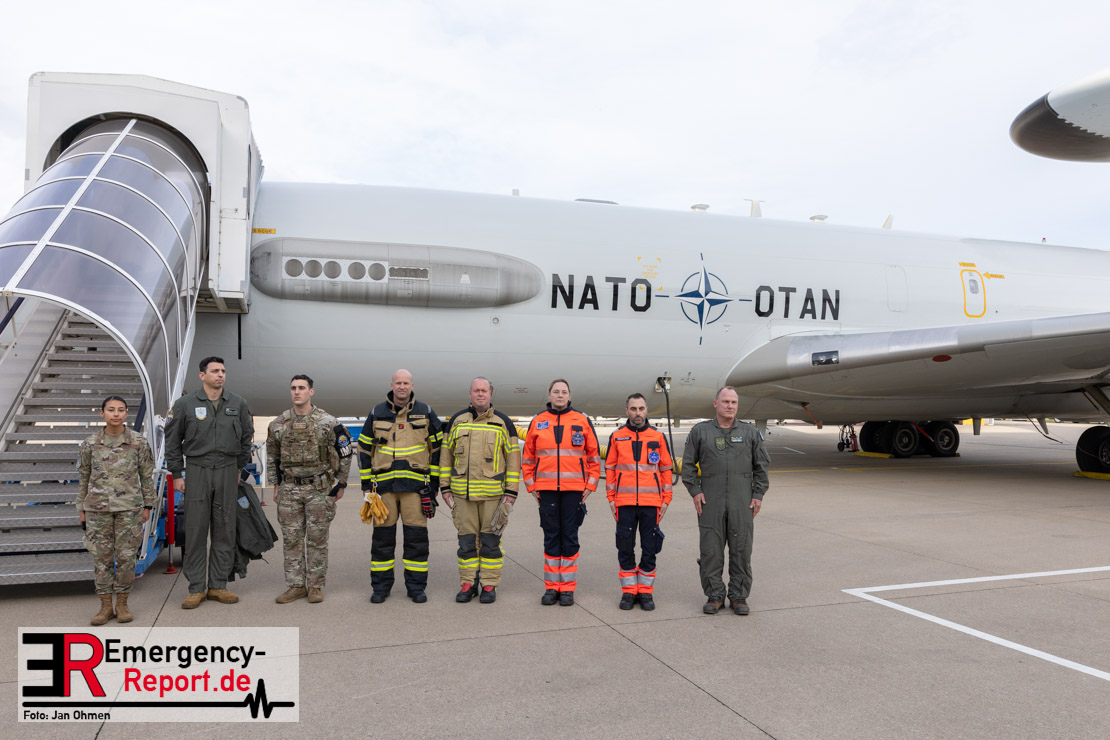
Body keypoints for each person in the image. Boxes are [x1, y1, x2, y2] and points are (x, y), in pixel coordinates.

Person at [165, 356, 254, 609]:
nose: (220, 374)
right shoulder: (185, 404)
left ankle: (218, 585)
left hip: (227, 469)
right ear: (202, 375)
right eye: (215, 371)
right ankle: (196, 588)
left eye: (223, 371)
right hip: (197, 469)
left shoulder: (237, 403)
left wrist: (238, 467)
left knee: (224, 529)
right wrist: (177, 474)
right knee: (195, 531)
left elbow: (246, 438)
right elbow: (172, 441)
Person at [681, 386, 769, 616]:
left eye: (734, 402)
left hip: (742, 502)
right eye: (726, 401)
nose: (730, 406)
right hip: (710, 501)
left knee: (741, 550)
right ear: (716, 404)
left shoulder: (750, 433)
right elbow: (688, 466)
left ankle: (739, 596)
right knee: (711, 550)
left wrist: (758, 494)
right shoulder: (700, 432)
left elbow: (761, 467)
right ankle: (715, 595)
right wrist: (695, 491)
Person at [357, 369, 443, 603]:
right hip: (383, 490)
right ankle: (381, 588)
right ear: (391, 385)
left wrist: (434, 485)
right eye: (398, 383)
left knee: (416, 541)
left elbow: (438, 449)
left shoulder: (425, 412)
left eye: (406, 383)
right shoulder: (377, 412)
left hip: (415, 490)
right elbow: (364, 449)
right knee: (382, 542)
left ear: (412, 385)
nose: (402, 386)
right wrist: (366, 485)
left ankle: (416, 588)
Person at [267, 374, 353, 604]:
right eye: (293, 388)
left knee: (317, 539)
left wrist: (341, 483)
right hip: (289, 489)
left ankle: (315, 586)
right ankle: (296, 586)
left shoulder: (328, 422)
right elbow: (272, 456)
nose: (297, 392)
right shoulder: (278, 424)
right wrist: (275, 485)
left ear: (311, 391)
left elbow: (345, 452)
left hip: (318, 489)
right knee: (291, 539)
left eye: (302, 388)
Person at [439, 377, 521, 604]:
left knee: (491, 542)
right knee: (466, 543)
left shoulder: (503, 422)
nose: (480, 394)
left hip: (493, 497)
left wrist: (511, 493)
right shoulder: (457, 421)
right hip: (462, 496)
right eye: (476, 390)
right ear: (470, 393)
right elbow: (446, 457)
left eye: (484, 390)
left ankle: (489, 585)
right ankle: (468, 584)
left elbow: (513, 460)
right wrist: (445, 487)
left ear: (490, 393)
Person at [77, 396, 156, 625]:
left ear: (126, 414)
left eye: (121, 410)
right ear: (102, 413)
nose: (116, 414)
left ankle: (122, 604)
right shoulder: (90, 444)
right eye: (111, 410)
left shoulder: (138, 442)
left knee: (126, 557)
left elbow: (146, 476)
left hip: (129, 509)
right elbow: (83, 477)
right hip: (97, 510)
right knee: (101, 558)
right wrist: (81, 507)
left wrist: (148, 505)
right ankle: (105, 607)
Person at [521, 379, 600, 606]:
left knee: (570, 538)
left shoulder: (581, 420)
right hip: (546, 492)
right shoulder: (538, 421)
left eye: (564, 392)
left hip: (574, 492)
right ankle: (551, 587)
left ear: (569, 395)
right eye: (556, 391)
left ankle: (567, 588)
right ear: (549, 394)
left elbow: (594, 458)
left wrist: (590, 487)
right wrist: (532, 487)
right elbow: (527, 459)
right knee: (551, 537)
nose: (560, 395)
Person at [604, 393, 672, 611]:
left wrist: (666, 499)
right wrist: (611, 498)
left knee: (650, 548)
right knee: (625, 548)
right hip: (624, 503)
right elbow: (610, 468)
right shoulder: (617, 437)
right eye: (633, 409)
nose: (637, 413)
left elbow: (666, 470)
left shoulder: (658, 437)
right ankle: (628, 591)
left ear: (646, 410)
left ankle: (645, 592)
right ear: (627, 411)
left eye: (641, 408)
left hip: (651, 503)